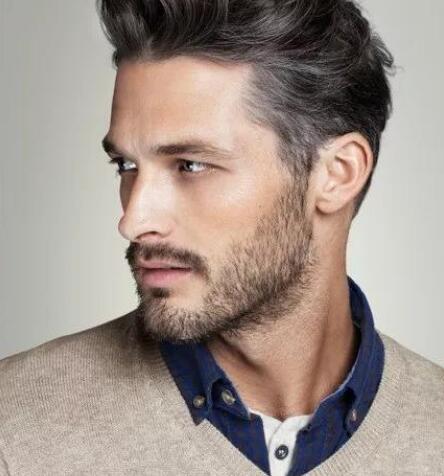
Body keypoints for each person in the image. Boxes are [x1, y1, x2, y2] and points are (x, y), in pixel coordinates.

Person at [1, 0, 443, 474]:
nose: (133, 220)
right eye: (126, 165)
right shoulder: (17, 432)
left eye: (190, 165)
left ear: (337, 174)